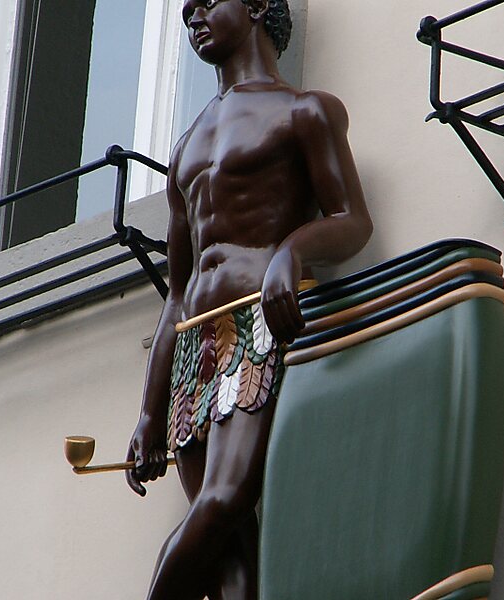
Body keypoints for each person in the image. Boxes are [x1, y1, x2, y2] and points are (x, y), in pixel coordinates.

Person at [125, 0, 372, 598]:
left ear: (259, 5)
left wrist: (292, 251)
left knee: (225, 498)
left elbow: (352, 220)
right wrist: (150, 411)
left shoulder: (305, 111)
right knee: (229, 550)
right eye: (187, 10)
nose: (193, 16)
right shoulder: (185, 147)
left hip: (255, 328)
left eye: (208, 2)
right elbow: (176, 293)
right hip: (195, 351)